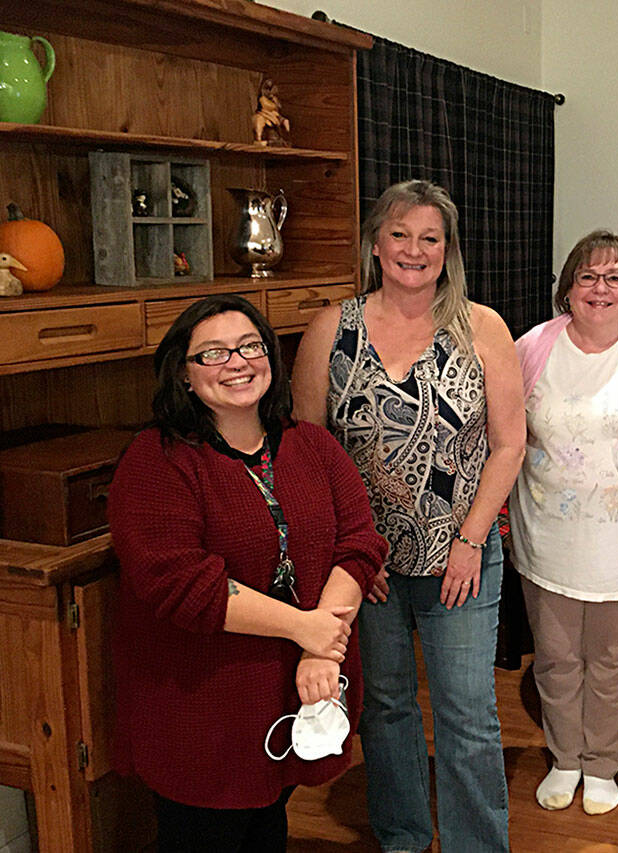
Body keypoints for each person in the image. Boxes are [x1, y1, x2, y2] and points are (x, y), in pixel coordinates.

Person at [108, 294, 387, 852]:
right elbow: (185, 585)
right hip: (201, 714)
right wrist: (303, 628)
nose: (236, 362)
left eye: (249, 346)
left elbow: (358, 545)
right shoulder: (155, 461)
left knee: (267, 827)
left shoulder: (311, 444)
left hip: (288, 698)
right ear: (184, 376)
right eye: (212, 354)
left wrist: (318, 648)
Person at [293, 179, 525, 852]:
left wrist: (470, 538)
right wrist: (349, 554)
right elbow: (308, 453)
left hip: (462, 556)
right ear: (375, 242)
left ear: (447, 251)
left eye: (430, 237)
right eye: (400, 234)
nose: (414, 250)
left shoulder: (483, 327)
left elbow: (510, 442)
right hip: (365, 568)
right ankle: (402, 837)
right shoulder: (331, 328)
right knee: (386, 705)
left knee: (467, 713)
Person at [508, 229, 618, 816]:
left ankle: (603, 762)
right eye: (588, 276)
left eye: (615, 278)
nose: (601, 288)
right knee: (558, 657)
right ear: (568, 287)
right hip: (549, 539)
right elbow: (503, 432)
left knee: (616, 659)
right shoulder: (533, 347)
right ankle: (565, 758)